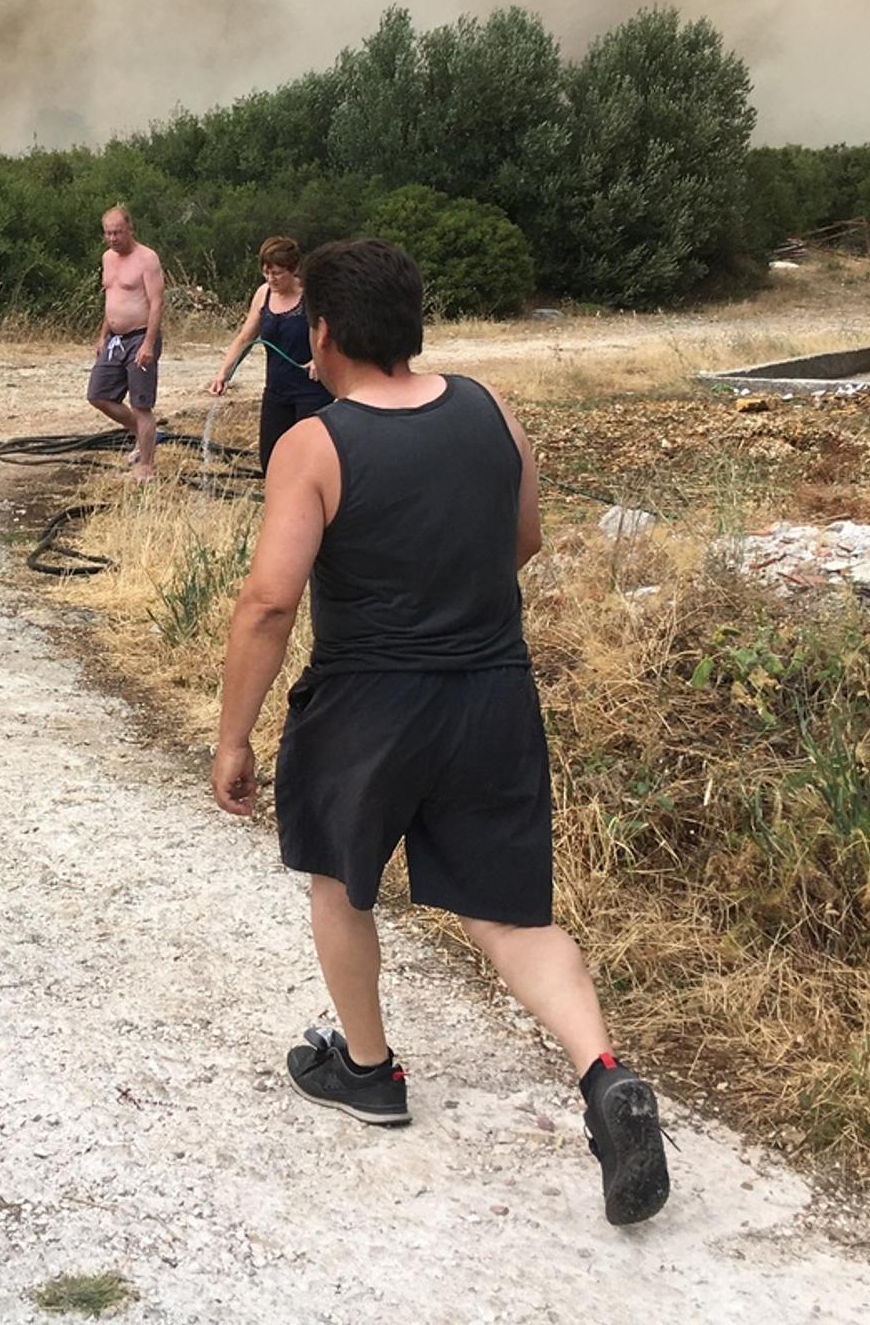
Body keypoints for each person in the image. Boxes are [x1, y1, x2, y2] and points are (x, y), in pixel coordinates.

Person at [209, 237, 669, 1227]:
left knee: (341, 880)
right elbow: (523, 539)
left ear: (321, 333)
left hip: (366, 701)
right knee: (511, 917)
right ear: (412, 322)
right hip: (491, 694)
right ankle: (604, 1074)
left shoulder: (314, 445)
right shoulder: (490, 409)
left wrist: (232, 736)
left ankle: (367, 1070)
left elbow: (268, 603)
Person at [207, 235, 333, 471]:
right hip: (276, 390)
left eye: (277, 273)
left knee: (308, 461)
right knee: (271, 459)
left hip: (312, 391)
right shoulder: (263, 294)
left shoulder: (313, 296)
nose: (271, 278)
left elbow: (335, 336)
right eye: (266, 272)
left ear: (293, 269)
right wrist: (223, 373)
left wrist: (320, 359)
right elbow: (245, 338)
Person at [86, 206, 165, 480]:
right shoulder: (107, 258)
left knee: (141, 404)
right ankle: (142, 434)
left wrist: (149, 344)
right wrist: (103, 335)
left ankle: (146, 466)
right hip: (115, 339)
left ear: (130, 229)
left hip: (140, 336)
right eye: (108, 233)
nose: (113, 238)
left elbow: (157, 303)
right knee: (98, 395)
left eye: (118, 232)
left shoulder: (147, 258)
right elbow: (112, 299)